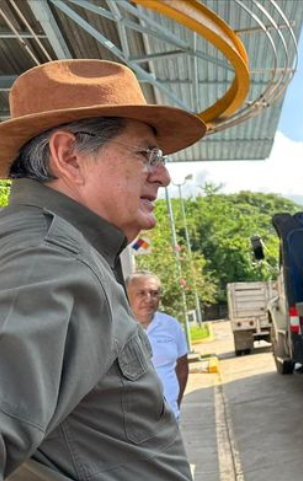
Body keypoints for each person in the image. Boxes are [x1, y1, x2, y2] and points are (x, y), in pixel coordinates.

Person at [0, 59, 206, 480]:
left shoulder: (54, 248)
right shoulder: (47, 259)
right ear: (69, 156)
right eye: (146, 153)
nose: (163, 175)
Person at [126, 271, 189, 420]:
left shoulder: (171, 325)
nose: (149, 299)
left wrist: (175, 403)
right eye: (141, 293)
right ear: (126, 296)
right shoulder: (117, 328)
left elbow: (182, 369)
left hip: (170, 416)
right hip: (133, 422)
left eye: (154, 293)